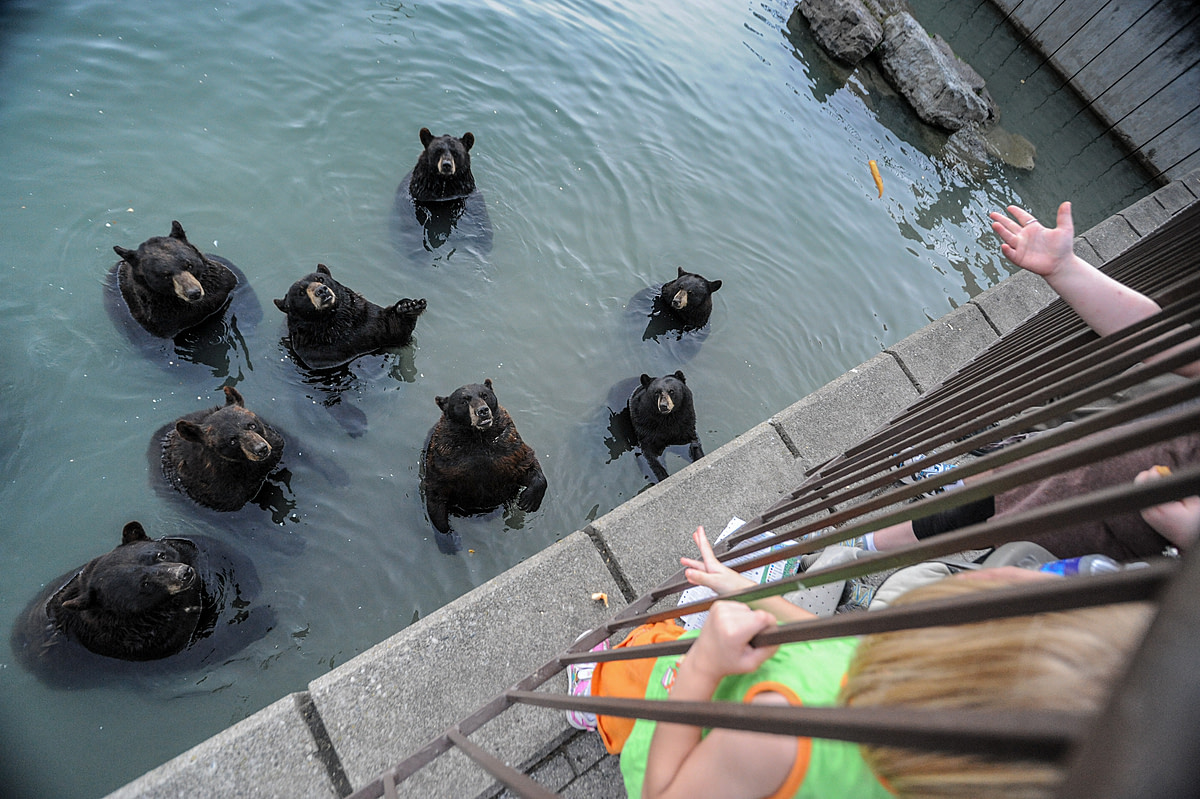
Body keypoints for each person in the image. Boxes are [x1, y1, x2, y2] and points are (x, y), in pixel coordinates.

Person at [570, 526, 1152, 799]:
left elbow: (663, 794)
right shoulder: (914, 705)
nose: (1016, 565)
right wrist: (744, 591)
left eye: (1032, 581)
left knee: (638, 672)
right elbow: (825, 637)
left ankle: (602, 714)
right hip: (759, 701)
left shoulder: (777, 731)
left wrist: (701, 669)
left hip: (695, 731)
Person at [856, 202, 1199, 560]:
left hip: (1086, 549)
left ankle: (872, 569)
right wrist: (1065, 269)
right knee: (982, 498)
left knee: (991, 565)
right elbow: (1164, 340)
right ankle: (858, 551)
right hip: (1075, 463)